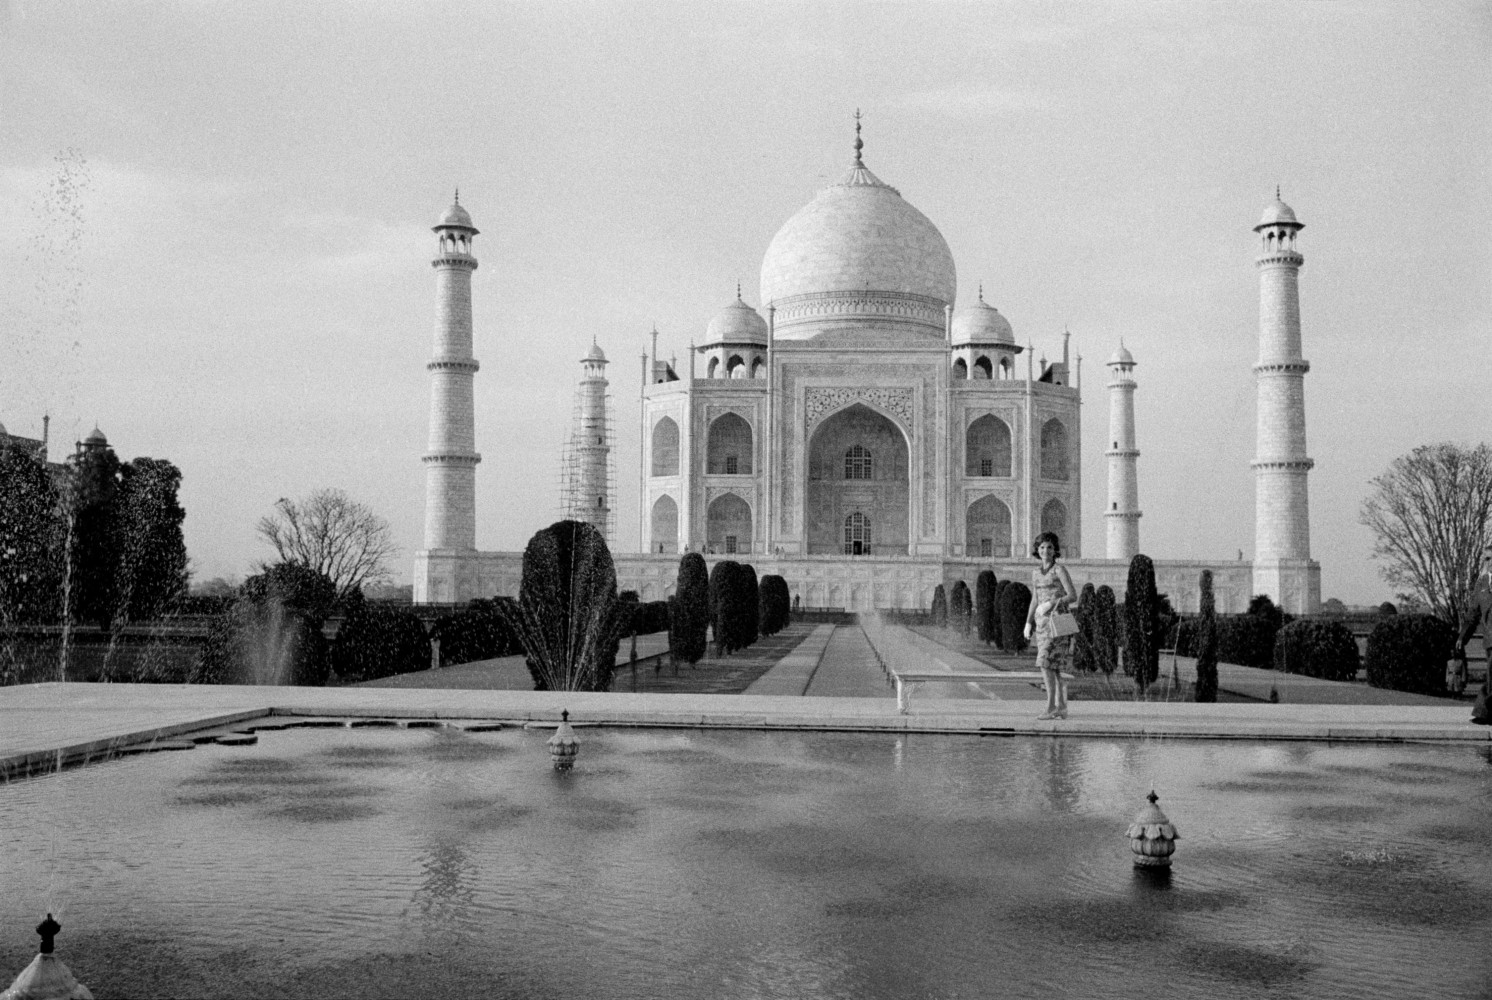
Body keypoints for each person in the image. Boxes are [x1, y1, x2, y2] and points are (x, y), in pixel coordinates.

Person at [1023, 531, 1079, 720]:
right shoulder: (1036, 573)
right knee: (1052, 667)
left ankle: (1049, 708)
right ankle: (1061, 707)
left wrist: (1051, 603)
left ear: (1055, 550)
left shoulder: (1059, 570)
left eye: (1049, 547)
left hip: (1057, 623)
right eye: (1042, 547)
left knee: (1045, 663)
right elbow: (1034, 599)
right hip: (1041, 625)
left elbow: (1072, 596)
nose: (1045, 550)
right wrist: (1028, 622)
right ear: (1037, 551)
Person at [1453, 539, 1492, 725]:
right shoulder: (1481, 585)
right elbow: (1472, 615)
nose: (1489, 562)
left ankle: (1483, 713)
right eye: (1486, 559)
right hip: (1490, 640)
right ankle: (1484, 713)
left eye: (1491, 558)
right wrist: (1463, 637)